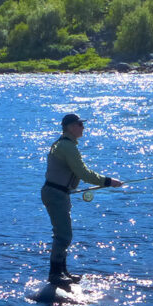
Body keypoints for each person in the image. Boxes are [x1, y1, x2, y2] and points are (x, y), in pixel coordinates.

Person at [41, 113, 123, 290]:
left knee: (64, 234)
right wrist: (109, 181)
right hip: (56, 194)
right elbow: (83, 173)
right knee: (63, 235)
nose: (83, 127)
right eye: (79, 124)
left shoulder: (64, 144)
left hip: (59, 193)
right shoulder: (67, 147)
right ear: (70, 127)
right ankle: (55, 275)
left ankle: (62, 272)